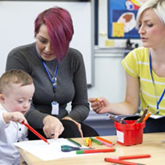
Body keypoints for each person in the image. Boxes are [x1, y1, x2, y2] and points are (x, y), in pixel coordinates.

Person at [6, 7, 98, 140]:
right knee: (72, 134)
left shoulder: (74, 57)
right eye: (42, 40)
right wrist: (47, 120)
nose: (48, 49)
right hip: (30, 125)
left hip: (64, 123)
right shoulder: (19, 57)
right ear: (35, 34)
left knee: (93, 137)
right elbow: (18, 107)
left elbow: (82, 105)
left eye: (56, 43)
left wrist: (67, 120)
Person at [89, 0, 165, 133]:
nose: (141, 31)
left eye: (149, 25)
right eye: (140, 24)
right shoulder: (135, 58)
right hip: (149, 122)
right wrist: (109, 106)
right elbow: (130, 106)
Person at [0, 69, 35, 165]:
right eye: (20, 101)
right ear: (2, 99)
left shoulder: (20, 115)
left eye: (29, 100)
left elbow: (22, 140)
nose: (26, 105)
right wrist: (7, 117)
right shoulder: (5, 114)